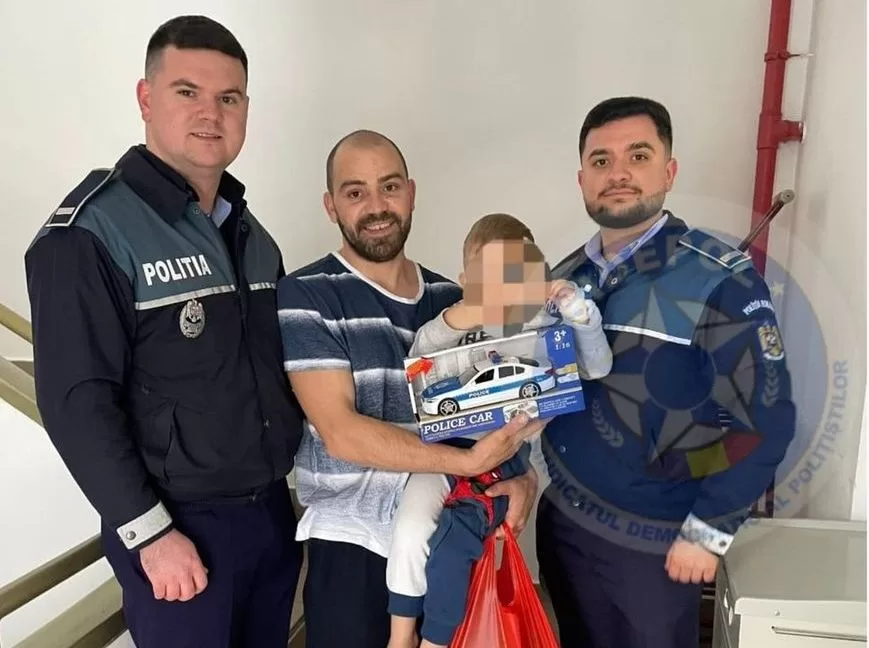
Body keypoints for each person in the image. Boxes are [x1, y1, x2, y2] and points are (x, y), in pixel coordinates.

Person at [24, 15, 305, 648]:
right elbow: (76, 403)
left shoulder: (252, 237)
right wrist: (148, 534)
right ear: (146, 99)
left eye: (228, 98)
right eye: (187, 92)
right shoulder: (91, 232)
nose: (211, 113)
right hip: (178, 531)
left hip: (268, 515)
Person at [536, 96, 797, 648]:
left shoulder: (716, 277)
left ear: (669, 172)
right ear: (582, 180)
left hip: (654, 537)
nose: (618, 173)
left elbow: (766, 418)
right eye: (601, 161)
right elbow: (541, 391)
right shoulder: (564, 277)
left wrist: (710, 529)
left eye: (638, 155)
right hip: (564, 525)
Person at [277, 130, 543, 648]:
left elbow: (504, 401)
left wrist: (523, 478)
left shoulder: (456, 299)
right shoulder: (308, 295)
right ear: (331, 206)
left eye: (390, 186)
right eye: (355, 192)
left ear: (412, 192)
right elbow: (342, 434)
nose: (377, 206)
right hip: (352, 545)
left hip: (449, 535)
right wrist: (467, 462)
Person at [386, 213, 614, 648]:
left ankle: (435, 640)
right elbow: (420, 354)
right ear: (466, 282)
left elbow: (597, 366)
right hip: (445, 451)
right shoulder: (454, 324)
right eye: (491, 277)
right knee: (411, 526)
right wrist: (469, 310)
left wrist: (580, 315)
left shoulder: (543, 324)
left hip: (504, 463)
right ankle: (401, 636)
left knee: (459, 540)